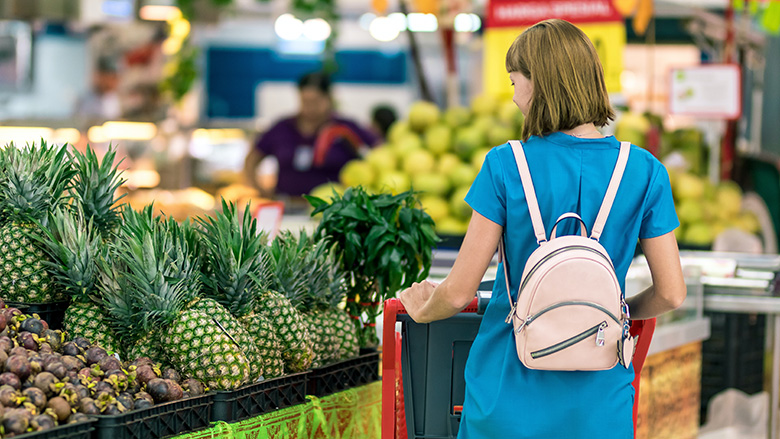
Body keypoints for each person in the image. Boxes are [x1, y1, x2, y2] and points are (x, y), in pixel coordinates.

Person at [398, 19, 686, 439]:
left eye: (515, 82)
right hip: (600, 401)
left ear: (541, 85)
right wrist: (615, 315)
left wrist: (424, 307)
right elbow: (671, 293)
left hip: (506, 394)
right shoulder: (644, 171)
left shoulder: (506, 165)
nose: (514, 97)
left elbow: (460, 291)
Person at [244, 72, 380, 199]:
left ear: (329, 98)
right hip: (287, 206)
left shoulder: (345, 128)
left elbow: (379, 151)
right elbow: (252, 160)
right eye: (305, 102)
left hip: (334, 210)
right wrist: (261, 192)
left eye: (315, 102)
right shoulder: (282, 128)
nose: (310, 108)